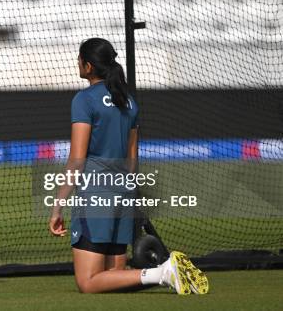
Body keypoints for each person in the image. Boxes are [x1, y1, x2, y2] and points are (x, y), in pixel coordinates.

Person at [48, 38, 208, 295]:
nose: (76, 63)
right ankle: (163, 274)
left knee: (88, 283)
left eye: (79, 59)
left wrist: (57, 206)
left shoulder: (84, 100)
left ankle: (163, 273)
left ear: (88, 66)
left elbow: (77, 159)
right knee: (113, 277)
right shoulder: (129, 101)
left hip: (95, 194)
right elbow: (132, 161)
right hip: (122, 193)